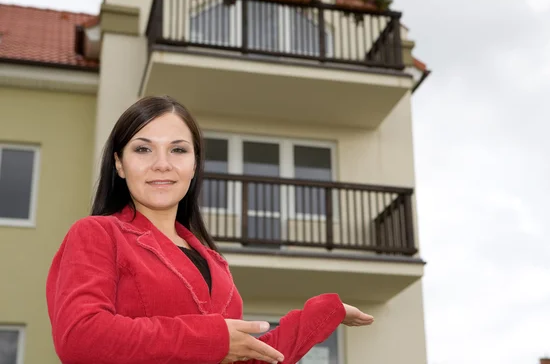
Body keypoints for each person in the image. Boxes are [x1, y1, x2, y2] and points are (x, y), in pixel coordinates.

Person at [46, 95, 374, 364]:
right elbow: (80, 338)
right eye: (143, 149)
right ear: (119, 163)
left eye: (178, 149)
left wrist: (323, 314)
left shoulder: (215, 263)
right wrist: (213, 339)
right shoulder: (97, 234)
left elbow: (250, 356)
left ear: (194, 164)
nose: (162, 163)